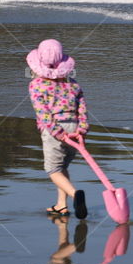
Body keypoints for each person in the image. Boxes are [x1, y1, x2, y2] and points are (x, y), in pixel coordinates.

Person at [27, 39, 89, 218]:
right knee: (62, 167)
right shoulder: (73, 83)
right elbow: (82, 107)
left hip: (55, 129)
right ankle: (61, 205)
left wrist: (57, 133)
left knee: (52, 169)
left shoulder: (37, 85)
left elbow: (43, 113)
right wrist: (82, 129)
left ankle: (75, 195)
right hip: (74, 126)